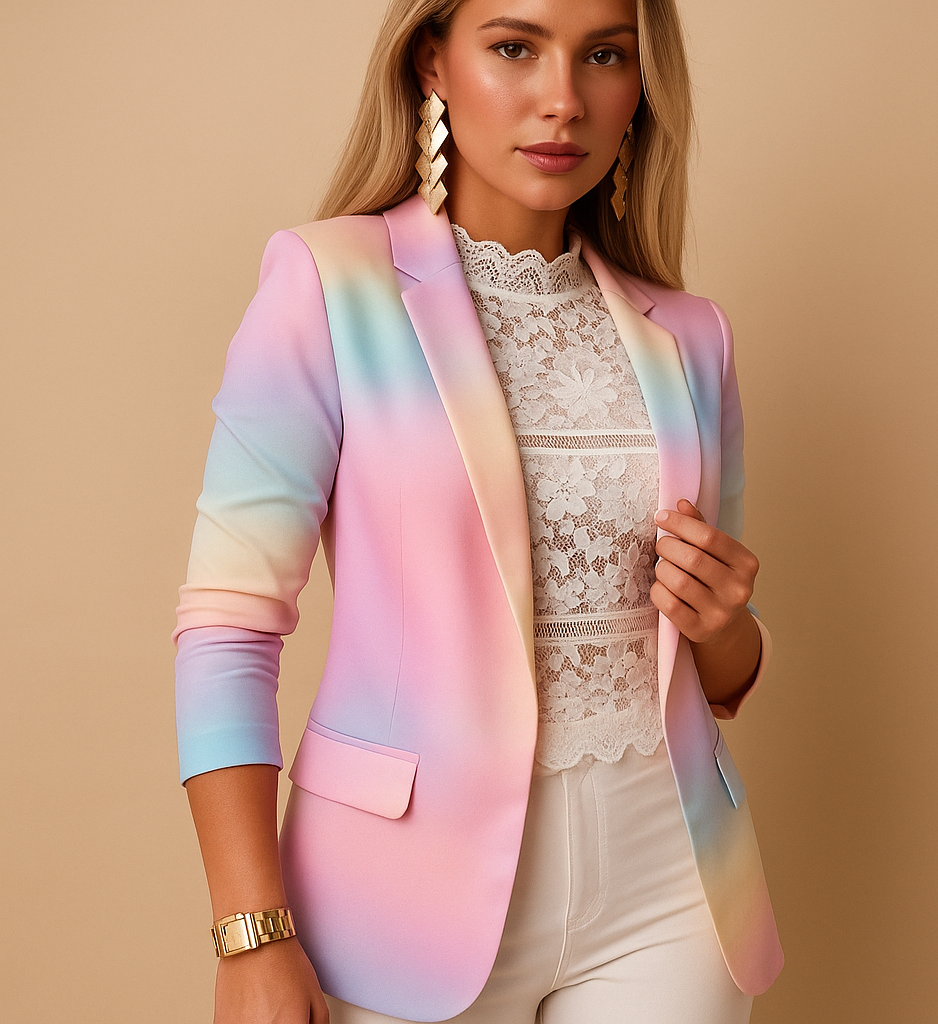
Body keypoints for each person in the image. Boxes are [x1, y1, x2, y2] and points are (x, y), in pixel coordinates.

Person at [174, 0, 784, 1021]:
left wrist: (727, 628)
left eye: (604, 56)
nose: (563, 100)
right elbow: (229, 626)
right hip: (401, 897)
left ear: (641, 85)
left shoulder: (691, 336)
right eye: (514, 48)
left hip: (671, 883)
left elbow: (722, 668)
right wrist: (251, 932)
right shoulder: (328, 285)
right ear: (433, 61)